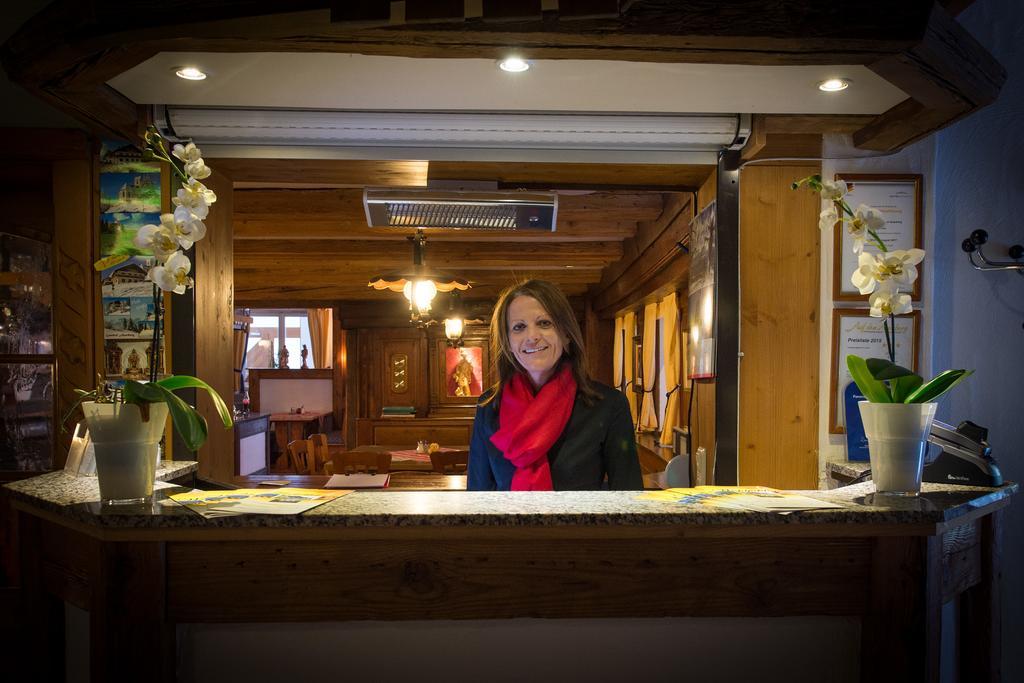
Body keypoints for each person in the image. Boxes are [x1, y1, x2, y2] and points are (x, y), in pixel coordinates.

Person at [468, 279, 642, 491]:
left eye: (544, 323)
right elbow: (477, 498)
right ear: (508, 344)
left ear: (566, 334)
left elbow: (629, 497)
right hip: (508, 526)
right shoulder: (488, 407)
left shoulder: (609, 405)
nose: (532, 336)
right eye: (519, 327)